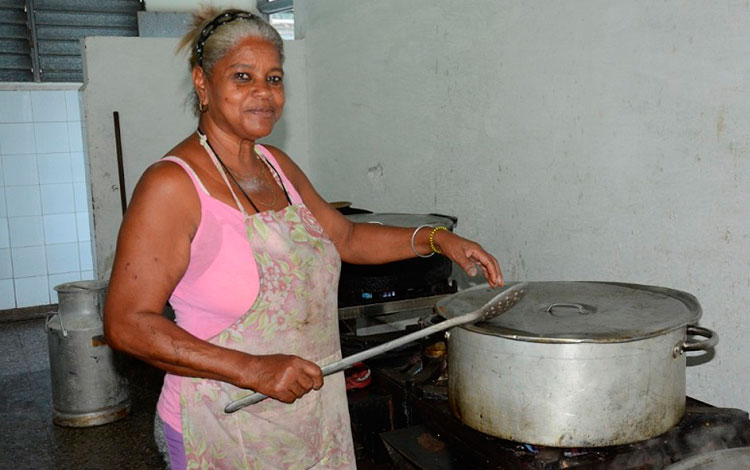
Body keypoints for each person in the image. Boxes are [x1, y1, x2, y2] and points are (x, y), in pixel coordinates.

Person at [103, 7, 503, 470]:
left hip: (309, 415)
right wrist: (254, 369)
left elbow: (347, 237)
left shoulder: (276, 165)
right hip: (224, 422)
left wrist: (435, 239)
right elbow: (127, 323)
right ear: (202, 84)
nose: (264, 93)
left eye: (274, 79)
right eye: (242, 76)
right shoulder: (173, 185)